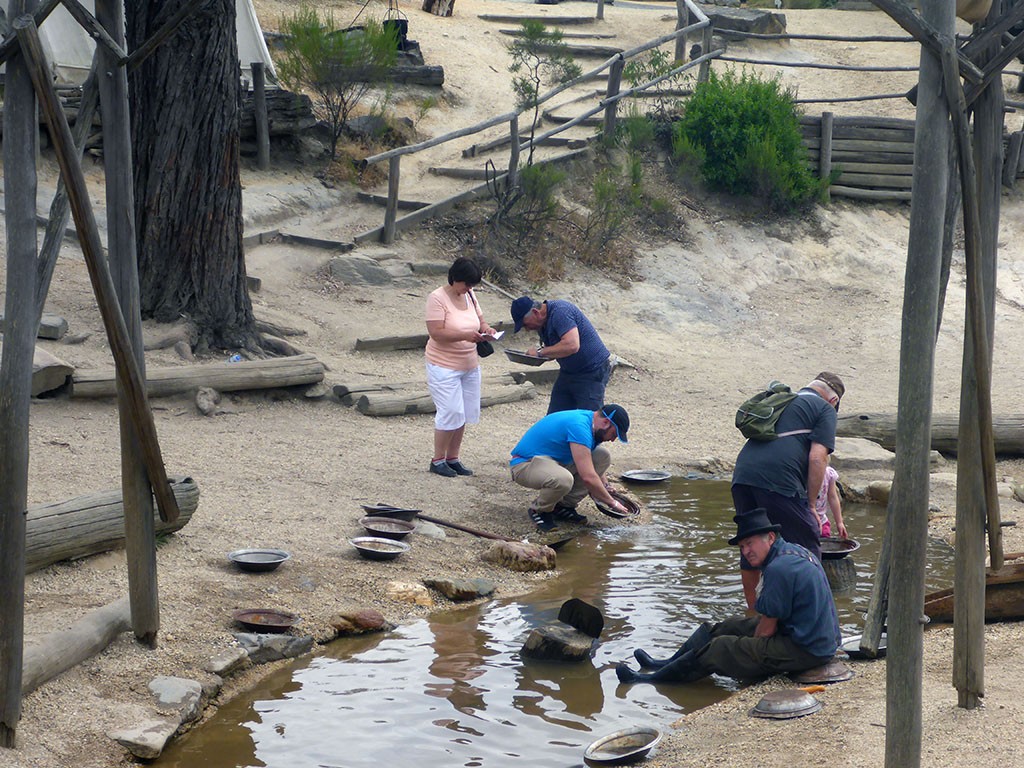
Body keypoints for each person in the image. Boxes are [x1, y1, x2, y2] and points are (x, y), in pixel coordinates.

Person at [614, 507, 841, 686]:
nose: (746, 552)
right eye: (742, 547)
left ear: (770, 537)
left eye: (750, 543)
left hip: (809, 650)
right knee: (728, 626)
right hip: (813, 637)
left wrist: (741, 653)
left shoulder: (779, 568)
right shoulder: (792, 551)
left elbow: (766, 631)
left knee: (722, 647)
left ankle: (652, 680)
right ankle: (665, 664)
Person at [731, 371, 846, 609]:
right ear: (834, 400)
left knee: (751, 542)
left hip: (743, 475)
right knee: (807, 547)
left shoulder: (785, 401)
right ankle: (814, 616)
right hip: (779, 479)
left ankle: (754, 616)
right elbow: (817, 459)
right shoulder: (824, 409)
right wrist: (812, 505)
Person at [424, 257, 498, 478]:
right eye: (466, 284)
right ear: (455, 278)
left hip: (469, 363)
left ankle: (453, 457)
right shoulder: (437, 298)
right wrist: (465, 335)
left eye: (471, 285)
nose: (468, 289)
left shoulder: (470, 295)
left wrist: (487, 330)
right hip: (444, 364)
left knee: (464, 411)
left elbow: (480, 320)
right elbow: (436, 333)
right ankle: (438, 459)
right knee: (450, 411)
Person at [510, 404, 631, 531]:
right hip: (524, 465)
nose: (613, 440)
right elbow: (588, 477)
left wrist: (605, 486)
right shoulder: (579, 426)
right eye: (614, 434)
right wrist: (611, 502)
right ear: (606, 422)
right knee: (563, 480)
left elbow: (590, 462)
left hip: (552, 461)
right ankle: (539, 510)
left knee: (602, 456)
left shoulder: (592, 423)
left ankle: (562, 506)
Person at [510, 296, 612, 414]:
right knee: (555, 417)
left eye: (525, 324)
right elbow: (559, 348)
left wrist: (540, 353)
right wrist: (537, 357)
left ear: (535, 312)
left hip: (592, 370)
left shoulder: (560, 312)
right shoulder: (543, 323)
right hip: (569, 371)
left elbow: (572, 345)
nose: (527, 329)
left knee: (590, 419)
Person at [814, 457, 847, 539]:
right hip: (804, 520)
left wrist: (839, 522)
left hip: (822, 521)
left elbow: (833, 497)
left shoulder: (829, 474)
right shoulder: (802, 475)